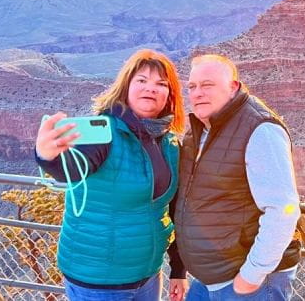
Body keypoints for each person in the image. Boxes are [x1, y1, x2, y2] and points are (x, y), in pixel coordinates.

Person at [34, 49, 190, 301]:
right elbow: (72, 169)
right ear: (126, 87)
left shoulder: (170, 144)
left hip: (148, 275)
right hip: (98, 282)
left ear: (169, 95)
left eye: (161, 84)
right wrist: (47, 156)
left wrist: (178, 270)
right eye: (142, 80)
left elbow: (174, 210)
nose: (151, 88)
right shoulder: (104, 135)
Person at [176, 54, 301, 301]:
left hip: (244, 281)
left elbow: (283, 209)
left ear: (233, 87)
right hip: (210, 276)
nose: (198, 93)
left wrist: (250, 277)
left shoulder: (260, 129)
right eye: (192, 87)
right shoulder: (201, 129)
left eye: (207, 85)